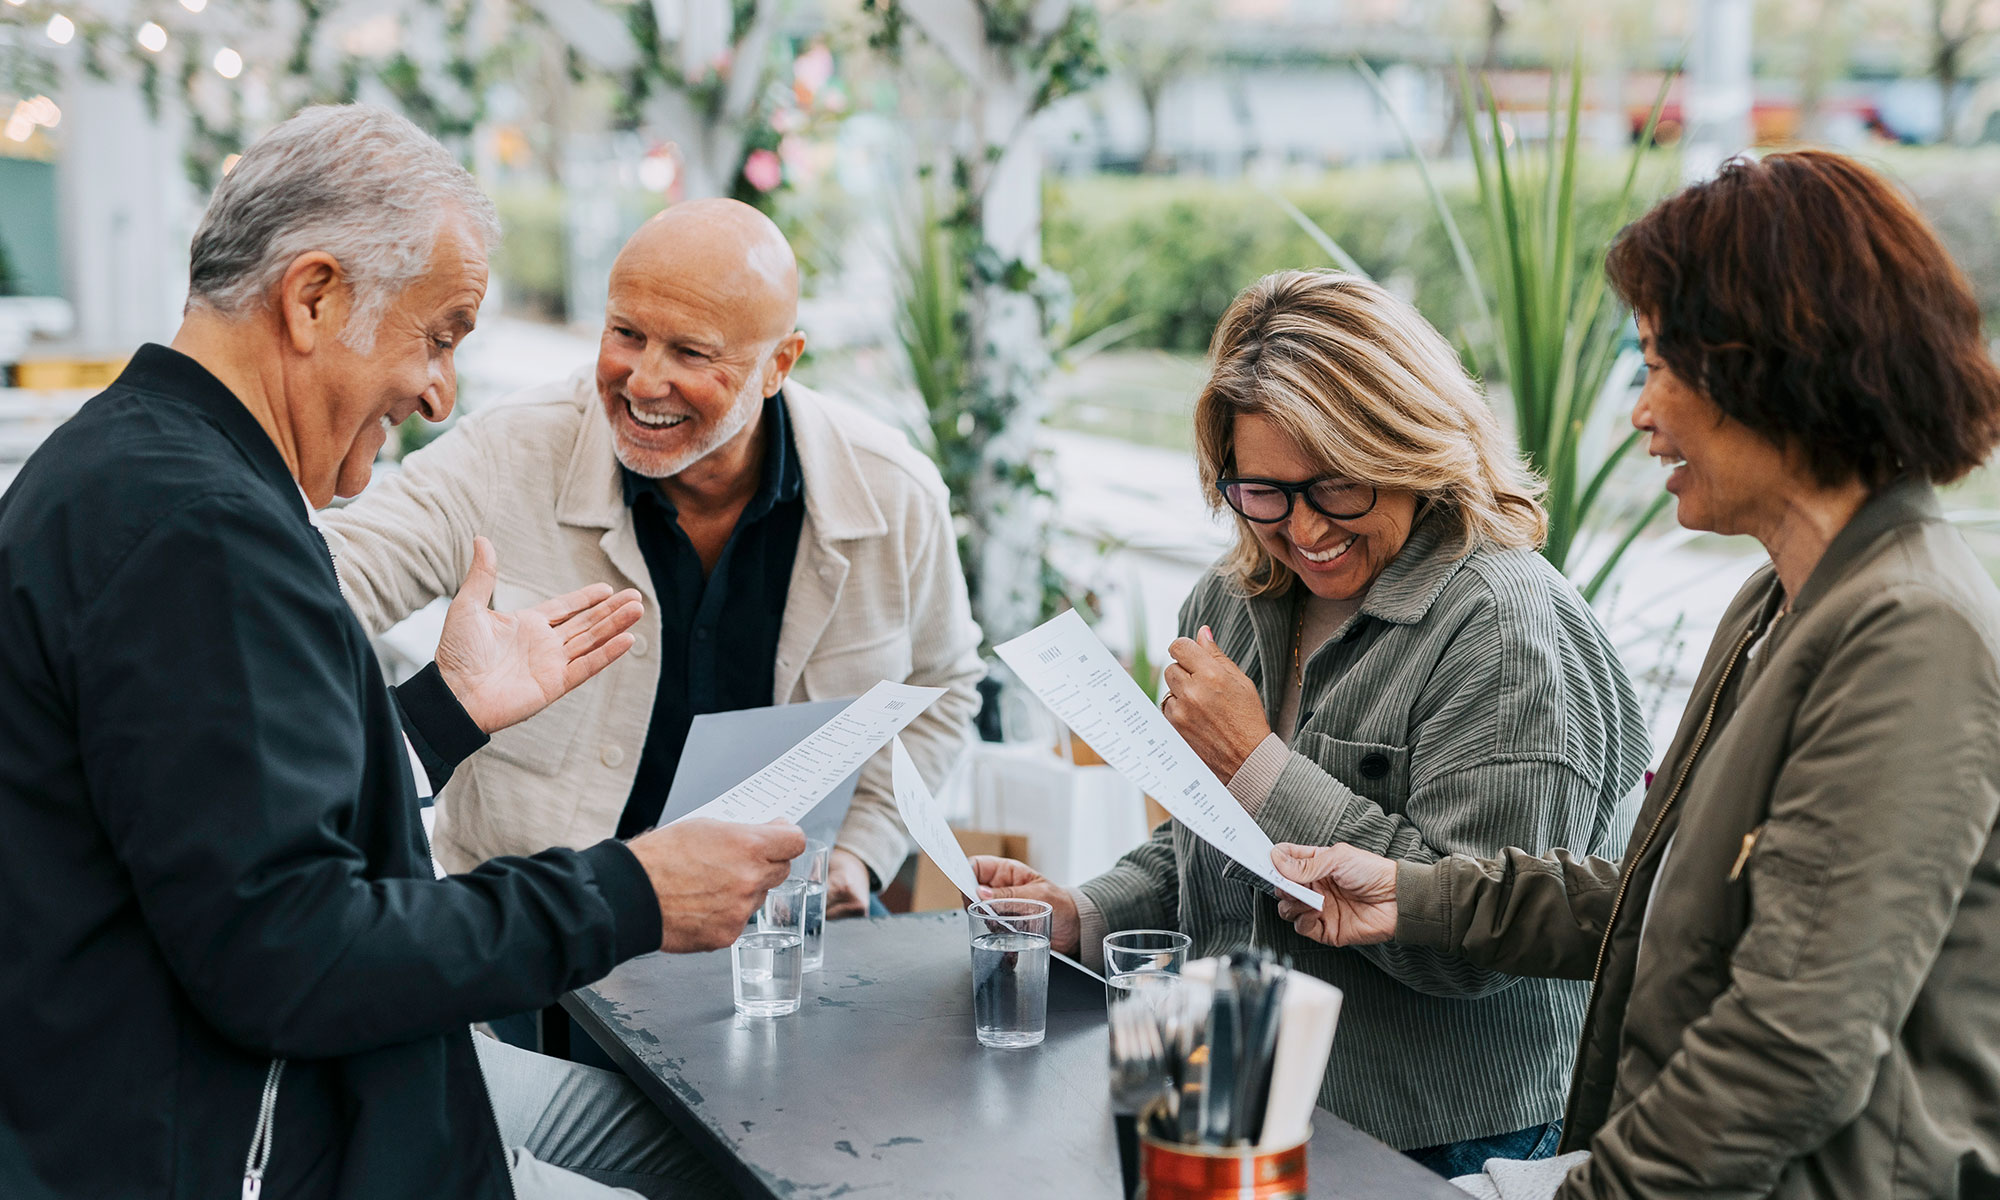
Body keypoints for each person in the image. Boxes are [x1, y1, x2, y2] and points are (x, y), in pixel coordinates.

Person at [0, 104, 805, 1200]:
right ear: (314, 296)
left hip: (338, 1090)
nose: (439, 392)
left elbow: (221, 814)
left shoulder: (137, 467)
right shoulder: (197, 531)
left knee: (723, 1157)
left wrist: (444, 714)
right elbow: (292, 954)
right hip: (257, 1136)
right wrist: (630, 895)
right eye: (439, 336)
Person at [1271, 151, 2000, 1199]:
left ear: (1771, 365)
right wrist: (1417, 895)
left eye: (1660, 364)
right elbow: (1671, 898)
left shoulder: (1909, 635)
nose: (1638, 411)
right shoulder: (1780, 600)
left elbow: (1790, 1044)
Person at [974, 270, 1650, 1169]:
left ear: (1412, 449)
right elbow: (1212, 852)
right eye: (1262, 492)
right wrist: (1084, 917)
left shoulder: (1504, 626)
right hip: (1215, 1075)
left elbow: (1482, 953)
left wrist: (1256, 762)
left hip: (1425, 1137)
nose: (1301, 529)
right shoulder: (1230, 595)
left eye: (1337, 487)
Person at [316, 198, 983, 916]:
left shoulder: (894, 493)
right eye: (625, 333)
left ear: (777, 364)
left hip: (785, 919)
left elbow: (940, 690)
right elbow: (315, 587)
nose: (641, 381)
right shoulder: (505, 453)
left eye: (691, 353)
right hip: (551, 932)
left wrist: (861, 851)